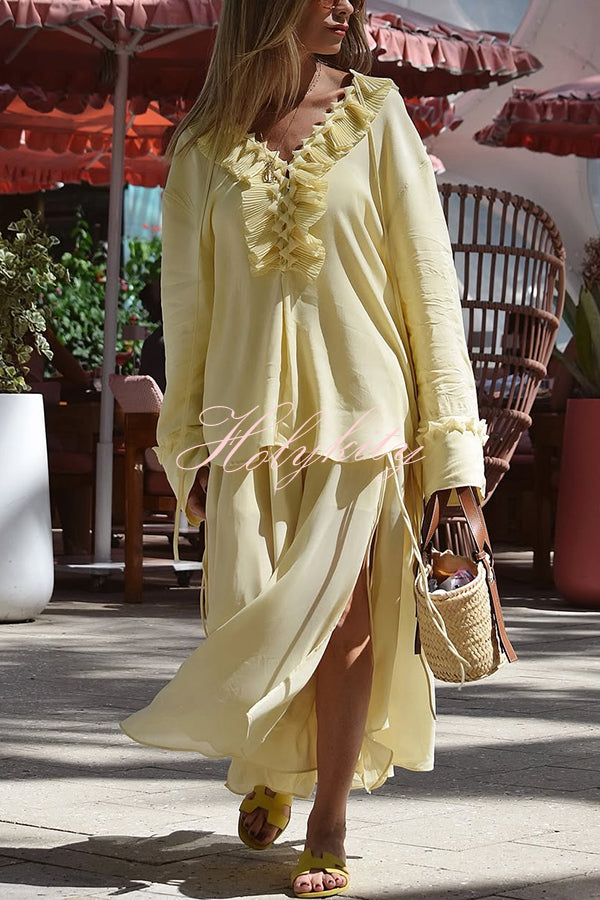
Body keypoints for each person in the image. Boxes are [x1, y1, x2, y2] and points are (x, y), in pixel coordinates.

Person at [120, 1, 488, 896]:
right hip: (246, 428)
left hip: (363, 421)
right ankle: (271, 769)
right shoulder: (202, 148)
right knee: (255, 614)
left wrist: (453, 459)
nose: (346, 7)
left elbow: (430, 288)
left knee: (345, 622)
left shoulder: (377, 116)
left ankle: (328, 818)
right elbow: (188, 314)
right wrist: (187, 448)